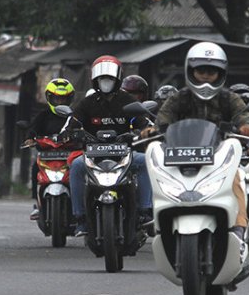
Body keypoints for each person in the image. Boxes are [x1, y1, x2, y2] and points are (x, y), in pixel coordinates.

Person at [146, 41, 249, 262]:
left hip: (218, 156)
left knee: (237, 180)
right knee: (160, 179)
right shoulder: (179, 98)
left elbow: (243, 116)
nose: (206, 76)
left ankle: (240, 226)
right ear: (191, 71)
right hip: (180, 156)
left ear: (221, 73)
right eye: (201, 70)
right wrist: (152, 130)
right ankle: (159, 220)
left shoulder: (229, 98)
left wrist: (248, 128)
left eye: (212, 71)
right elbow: (163, 120)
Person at [67, 55, 153, 237]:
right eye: (102, 79)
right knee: (75, 166)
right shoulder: (86, 103)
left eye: (109, 79)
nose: (105, 82)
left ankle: (145, 211)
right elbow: (72, 123)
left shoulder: (127, 100)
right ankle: (81, 218)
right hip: (93, 157)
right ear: (95, 80)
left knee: (145, 161)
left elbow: (144, 123)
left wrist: (146, 132)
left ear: (117, 79)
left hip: (124, 156)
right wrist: (69, 134)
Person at [24, 78, 75, 220]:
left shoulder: (74, 116)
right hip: (47, 155)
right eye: (57, 99)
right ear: (49, 98)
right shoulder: (43, 115)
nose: (60, 102)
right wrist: (30, 138)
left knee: (81, 170)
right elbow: (32, 129)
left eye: (63, 99)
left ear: (70, 99)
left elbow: (84, 129)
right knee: (35, 167)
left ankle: (81, 205)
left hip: (70, 156)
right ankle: (36, 203)